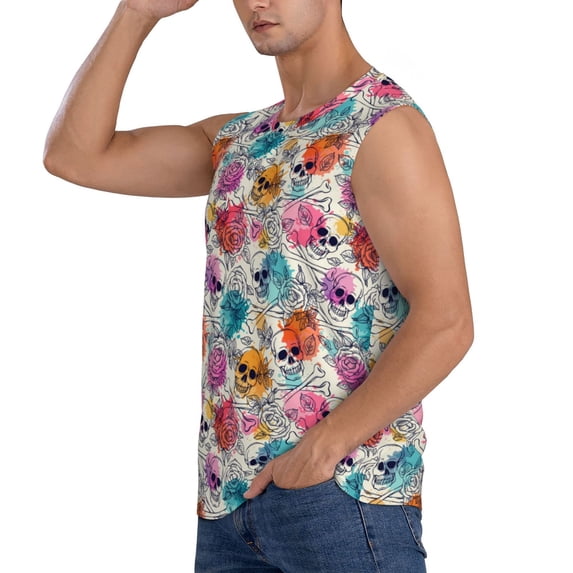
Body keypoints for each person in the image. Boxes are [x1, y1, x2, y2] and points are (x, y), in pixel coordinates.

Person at [44, 0, 474, 571]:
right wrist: (137, 12)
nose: (257, 2)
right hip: (228, 508)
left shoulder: (381, 126)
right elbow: (75, 156)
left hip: (344, 497)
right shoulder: (240, 140)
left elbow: (447, 320)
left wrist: (322, 450)